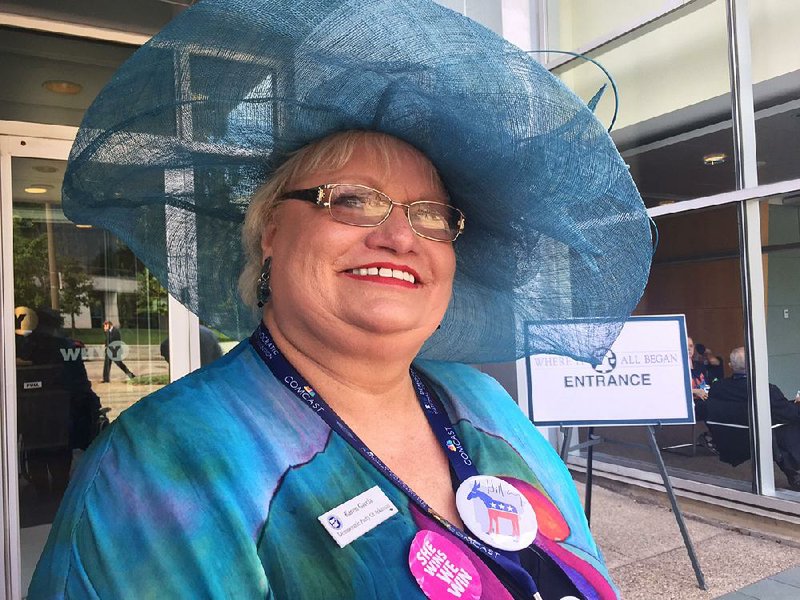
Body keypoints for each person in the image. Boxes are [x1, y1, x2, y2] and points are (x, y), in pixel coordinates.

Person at [29, 1, 653, 598]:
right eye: (351, 199)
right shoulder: (164, 465)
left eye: (431, 214)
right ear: (270, 231)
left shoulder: (485, 404)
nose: (400, 236)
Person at [705, 347, 800, 490]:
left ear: (730, 366)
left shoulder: (718, 388)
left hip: (734, 436)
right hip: (762, 436)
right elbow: (791, 414)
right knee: (788, 423)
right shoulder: (765, 390)